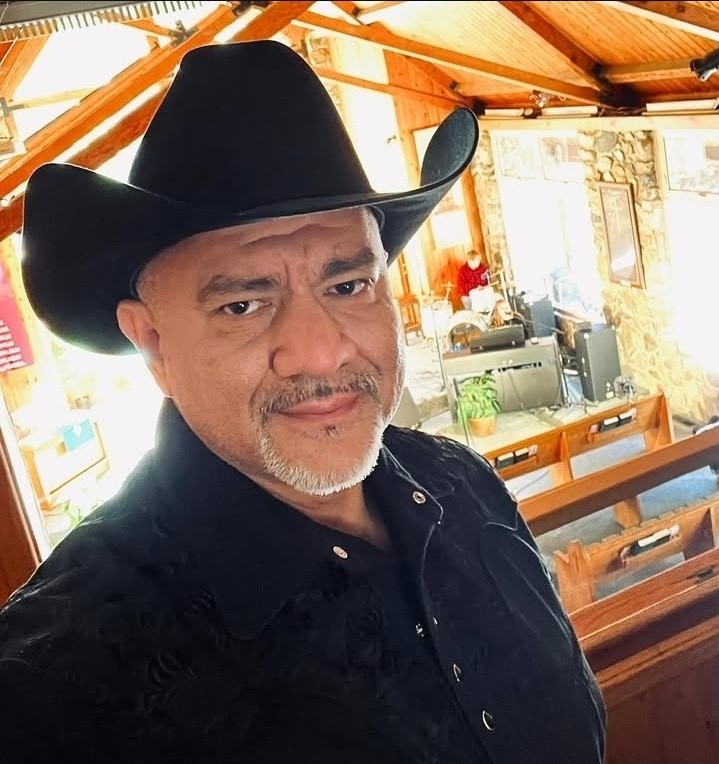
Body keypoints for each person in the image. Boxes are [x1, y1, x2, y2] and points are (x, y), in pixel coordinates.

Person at [0, 41, 605, 763]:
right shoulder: (61, 686)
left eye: (347, 286)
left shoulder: (462, 481)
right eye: (242, 305)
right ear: (153, 343)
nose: (320, 354)